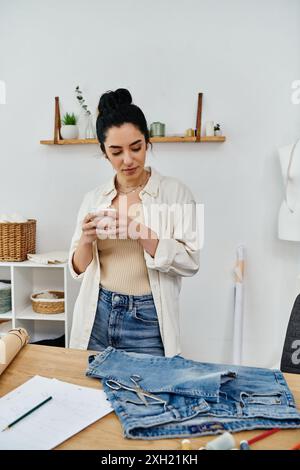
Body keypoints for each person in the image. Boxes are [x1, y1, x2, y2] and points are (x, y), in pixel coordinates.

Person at [68, 88, 201, 357]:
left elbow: (191, 262)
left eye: (136, 147)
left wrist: (138, 230)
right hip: (98, 313)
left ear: (147, 141)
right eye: (116, 152)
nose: (128, 160)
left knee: (147, 397)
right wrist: (85, 240)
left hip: (148, 321)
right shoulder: (93, 198)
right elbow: (76, 268)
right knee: (90, 394)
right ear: (104, 153)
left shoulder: (177, 193)